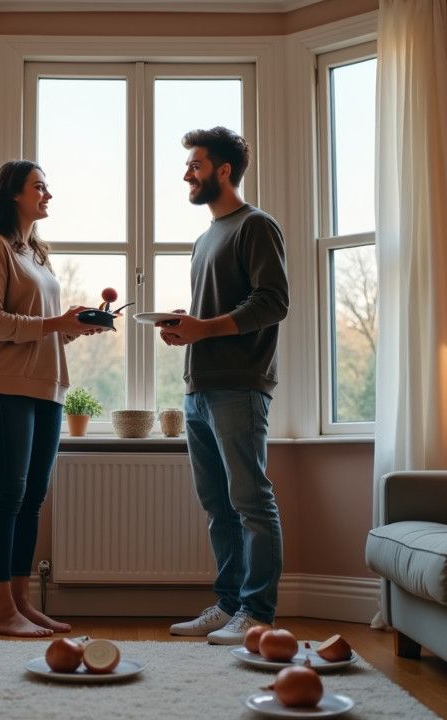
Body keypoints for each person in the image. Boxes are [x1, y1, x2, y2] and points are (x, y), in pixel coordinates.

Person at [0, 160, 104, 637]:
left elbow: (41, 329)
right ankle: (1, 612)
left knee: (33, 497)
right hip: (8, 388)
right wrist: (55, 324)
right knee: (10, 494)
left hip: (46, 387)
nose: (48, 195)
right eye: (39, 187)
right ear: (13, 194)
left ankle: (21, 604)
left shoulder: (35, 253)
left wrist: (70, 327)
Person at [159, 127, 289, 644]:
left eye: (195, 164)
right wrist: (186, 326)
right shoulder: (204, 237)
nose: (186, 174)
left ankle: (258, 614)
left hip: (239, 386)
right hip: (199, 387)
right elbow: (215, 314)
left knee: (251, 502)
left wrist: (204, 328)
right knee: (218, 505)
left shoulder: (256, 226)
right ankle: (229, 604)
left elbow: (273, 302)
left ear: (224, 170)